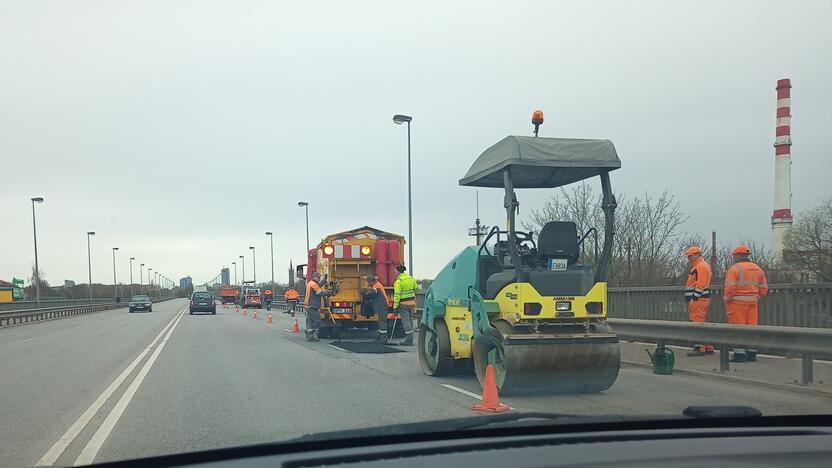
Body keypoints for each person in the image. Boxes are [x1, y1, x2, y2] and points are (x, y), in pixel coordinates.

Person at [723, 245, 769, 362]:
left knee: (737, 329)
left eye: (734, 255)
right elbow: (764, 288)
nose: (733, 257)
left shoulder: (735, 269)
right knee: (751, 328)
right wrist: (758, 296)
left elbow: (730, 288)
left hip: (737, 302)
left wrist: (727, 298)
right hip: (753, 302)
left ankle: (739, 354)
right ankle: (752, 353)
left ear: (738, 255)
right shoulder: (757, 268)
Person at [683, 246, 714, 356]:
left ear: (697, 254)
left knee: (697, 323)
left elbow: (701, 284)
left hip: (699, 299)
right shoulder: (698, 266)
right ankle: (707, 347)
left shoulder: (700, 266)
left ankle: (699, 347)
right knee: (702, 322)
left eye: (690, 256)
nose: (689, 258)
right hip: (699, 298)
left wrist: (694, 297)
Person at [392, 264, 417, 346]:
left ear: (399, 271)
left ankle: (409, 340)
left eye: (395, 271)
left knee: (406, 321)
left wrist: (395, 308)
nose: (394, 272)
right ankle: (410, 339)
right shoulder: (411, 279)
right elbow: (416, 288)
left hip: (403, 304)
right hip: (412, 303)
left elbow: (397, 295)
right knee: (410, 321)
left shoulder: (398, 282)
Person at [303, 272, 332, 342]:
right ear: (314, 277)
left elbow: (318, 285)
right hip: (312, 306)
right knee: (318, 321)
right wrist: (329, 292)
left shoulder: (311, 283)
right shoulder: (313, 284)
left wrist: (324, 280)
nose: (319, 279)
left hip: (308, 305)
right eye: (318, 277)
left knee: (310, 321)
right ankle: (310, 333)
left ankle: (310, 336)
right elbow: (320, 293)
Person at [362, 275, 391, 343]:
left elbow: (372, 292)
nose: (367, 283)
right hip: (382, 306)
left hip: (383, 306)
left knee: (382, 322)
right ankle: (380, 337)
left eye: (368, 282)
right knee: (380, 322)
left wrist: (365, 293)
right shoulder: (377, 285)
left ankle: (384, 339)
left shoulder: (376, 286)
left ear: (371, 281)